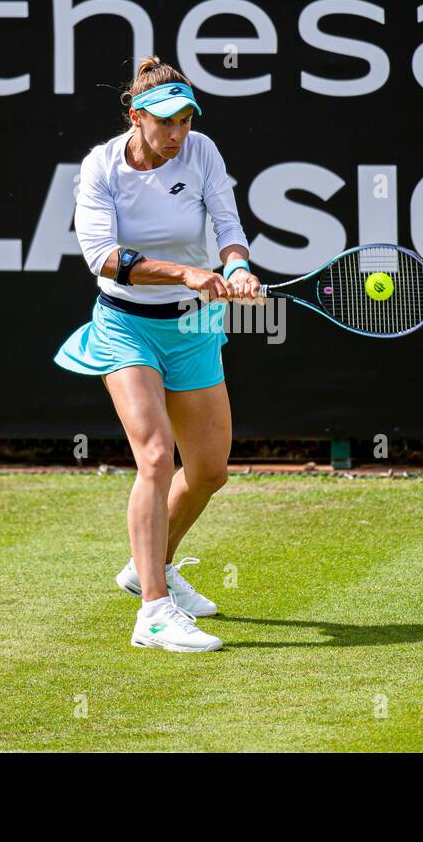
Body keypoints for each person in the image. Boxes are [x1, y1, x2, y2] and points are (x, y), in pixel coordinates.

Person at [54, 56, 262, 653]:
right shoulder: (100, 168)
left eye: (187, 120)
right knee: (153, 456)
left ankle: (150, 567)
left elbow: (227, 221)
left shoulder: (202, 152)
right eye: (166, 121)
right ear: (136, 117)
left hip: (194, 327)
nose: (178, 133)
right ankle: (153, 612)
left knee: (209, 471)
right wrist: (188, 273)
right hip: (126, 326)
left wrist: (237, 266)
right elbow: (104, 256)